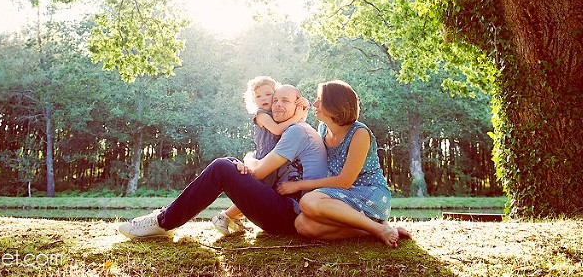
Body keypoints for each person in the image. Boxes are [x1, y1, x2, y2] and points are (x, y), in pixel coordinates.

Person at [117, 84, 326, 239]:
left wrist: (248, 159)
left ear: (298, 105)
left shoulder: (297, 131)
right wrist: (246, 162)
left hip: (292, 216)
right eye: (276, 100)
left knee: (222, 167)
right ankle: (166, 217)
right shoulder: (295, 129)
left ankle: (162, 222)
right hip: (286, 210)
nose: (277, 105)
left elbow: (260, 173)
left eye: (286, 101)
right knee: (228, 162)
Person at [276, 80, 410, 248]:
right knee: (302, 225)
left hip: (368, 192)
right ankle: (376, 229)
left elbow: (345, 181)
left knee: (309, 201)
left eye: (320, 100)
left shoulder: (359, 133)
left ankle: (378, 228)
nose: (314, 103)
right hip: (340, 195)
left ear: (334, 105)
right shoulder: (323, 129)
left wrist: (298, 185)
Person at [211, 76, 308, 235]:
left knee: (266, 193)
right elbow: (277, 130)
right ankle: (224, 216)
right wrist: (297, 116)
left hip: (275, 161)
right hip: (265, 159)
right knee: (261, 191)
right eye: (258, 96)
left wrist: (301, 107)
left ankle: (233, 218)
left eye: (268, 94)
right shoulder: (261, 115)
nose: (263, 99)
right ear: (253, 100)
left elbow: (296, 125)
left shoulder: (278, 114)